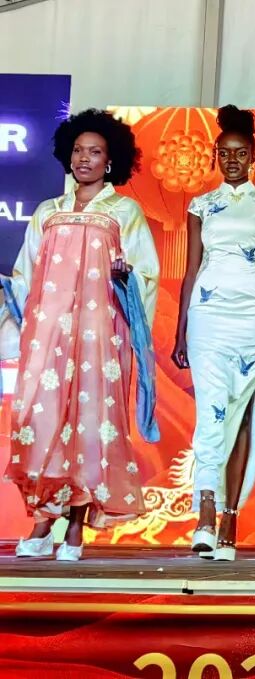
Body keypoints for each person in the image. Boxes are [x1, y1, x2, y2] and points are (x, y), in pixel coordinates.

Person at [5, 109, 160, 562]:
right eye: (78, 151)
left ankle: (75, 526)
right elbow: (24, 275)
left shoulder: (123, 212)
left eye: (95, 152)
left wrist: (126, 276)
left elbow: (147, 274)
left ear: (111, 161)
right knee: (40, 419)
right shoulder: (48, 212)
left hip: (99, 337)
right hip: (48, 335)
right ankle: (41, 520)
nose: (84, 159)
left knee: (90, 425)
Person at [171, 106, 255, 562]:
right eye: (225, 153)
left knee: (241, 416)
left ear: (253, 156)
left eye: (241, 153)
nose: (233, 160)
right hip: (208, 314)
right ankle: (204, 512)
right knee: (211, 411)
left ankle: (230, 519)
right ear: (215, 157)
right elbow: (191, 269)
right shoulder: (200, 205)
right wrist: (181, 331)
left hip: (253, 314)